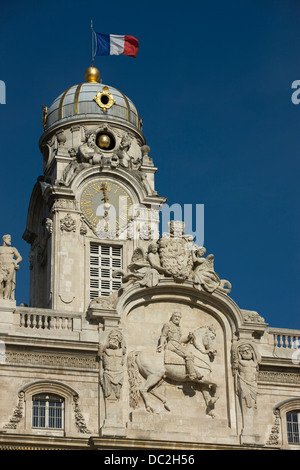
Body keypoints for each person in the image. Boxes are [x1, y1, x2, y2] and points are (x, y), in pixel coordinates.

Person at [157, 312, 201, 380]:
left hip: (177, 344)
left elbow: (180, 339)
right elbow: (163, 335)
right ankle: (192, 374)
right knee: (189, 355)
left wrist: (189, 337)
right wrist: (161, 344)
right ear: (172, 317)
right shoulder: (168, 325)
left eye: (179, 317)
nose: (177, 318)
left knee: (190, 353)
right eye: (175, 316)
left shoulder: (179, 328)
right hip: (172, 344)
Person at [0, 235, 22, 300]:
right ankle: (1, 297)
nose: (10, 240)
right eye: (8, 239)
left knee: (8, 282)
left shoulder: (13, 249)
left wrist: (15, 262)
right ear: (4, 240)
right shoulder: (0, 248)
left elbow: (19, 257)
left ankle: (6, 297)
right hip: (1, 267)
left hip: (10, 266)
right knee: (0, 282)